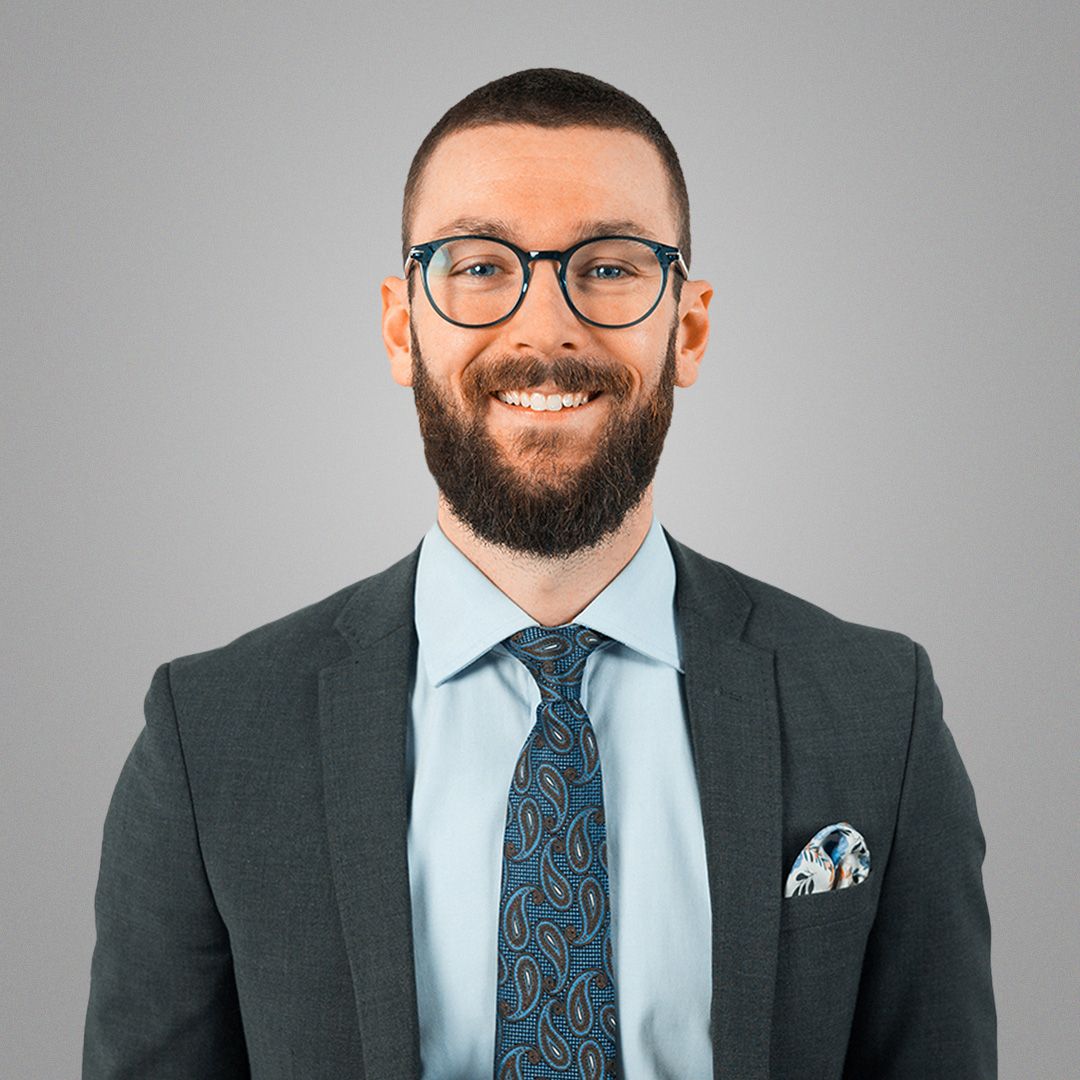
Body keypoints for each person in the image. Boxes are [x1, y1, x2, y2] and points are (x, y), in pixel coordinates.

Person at [82, 68, 996, 1079]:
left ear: (688, 327)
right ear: (401, 328)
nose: (545, 329)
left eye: (607, 267)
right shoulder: (210, 738)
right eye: (480, 265)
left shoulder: (879, 711)